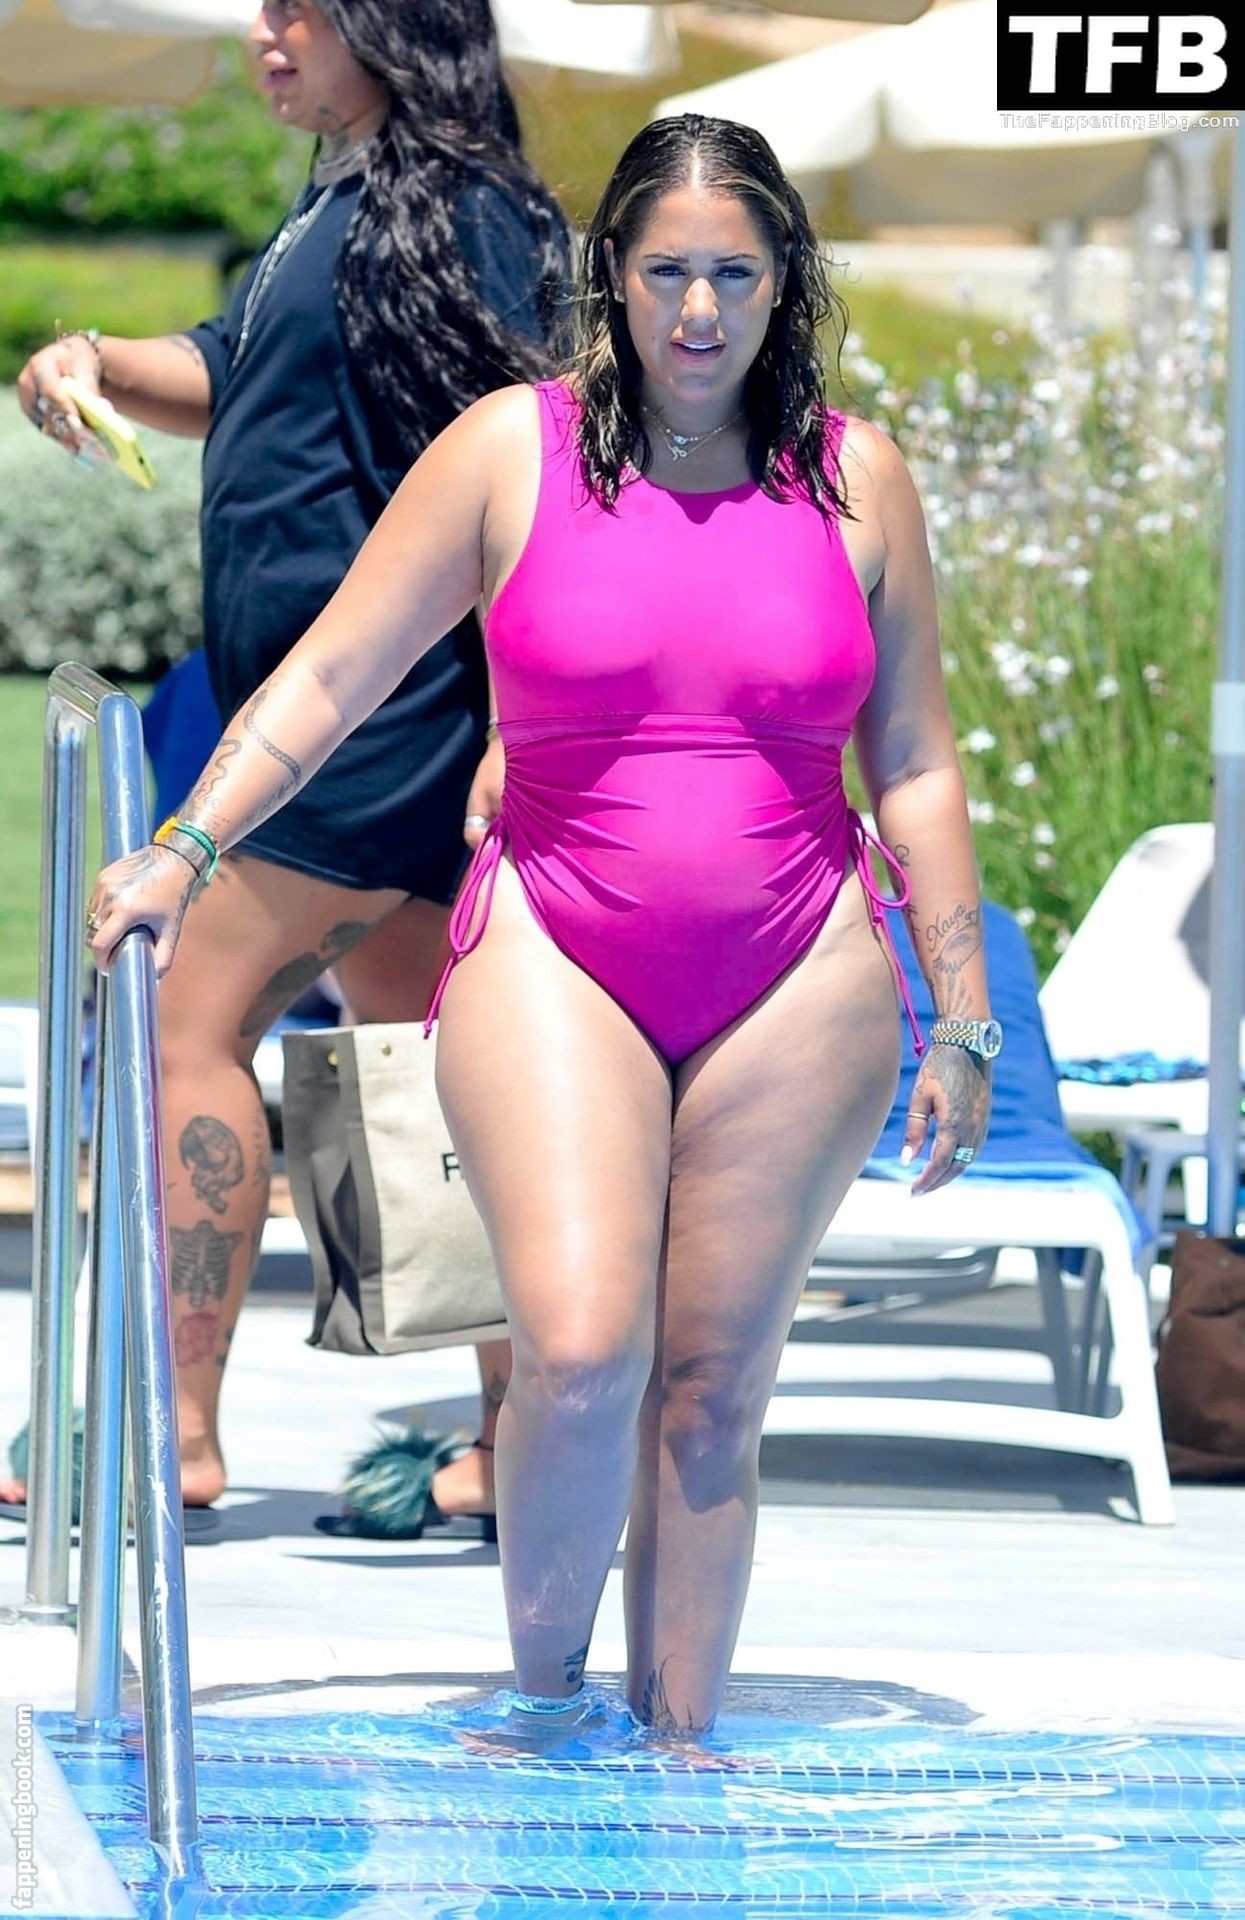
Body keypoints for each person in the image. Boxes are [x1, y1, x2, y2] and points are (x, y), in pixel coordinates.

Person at [83, 112, 996, 1740]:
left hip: (800, 962)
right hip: (557, 940)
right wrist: (185, 847)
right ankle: (545, 1716)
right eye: (668, 272)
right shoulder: (511, 450)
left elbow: (915, 762)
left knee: (711, 1392)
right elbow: (329, 675)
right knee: (576, 1352)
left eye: (735, 274)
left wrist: (963, 1017)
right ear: (612, 277)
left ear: (785, 281)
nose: (699, 311)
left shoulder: (857, 477)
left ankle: (679, 1765)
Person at [12, 0, 568, 1522]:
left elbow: (537, 462)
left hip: (382, 715)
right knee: (443, 1073)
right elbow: (236, 369)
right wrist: (94, 361)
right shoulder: (351, 192)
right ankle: (521, 1447)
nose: (268, 33)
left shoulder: (464, 209)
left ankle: (168, 1428)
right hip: (344, 713)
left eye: (301, 9)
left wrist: (515, 724)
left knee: (178, 1020)